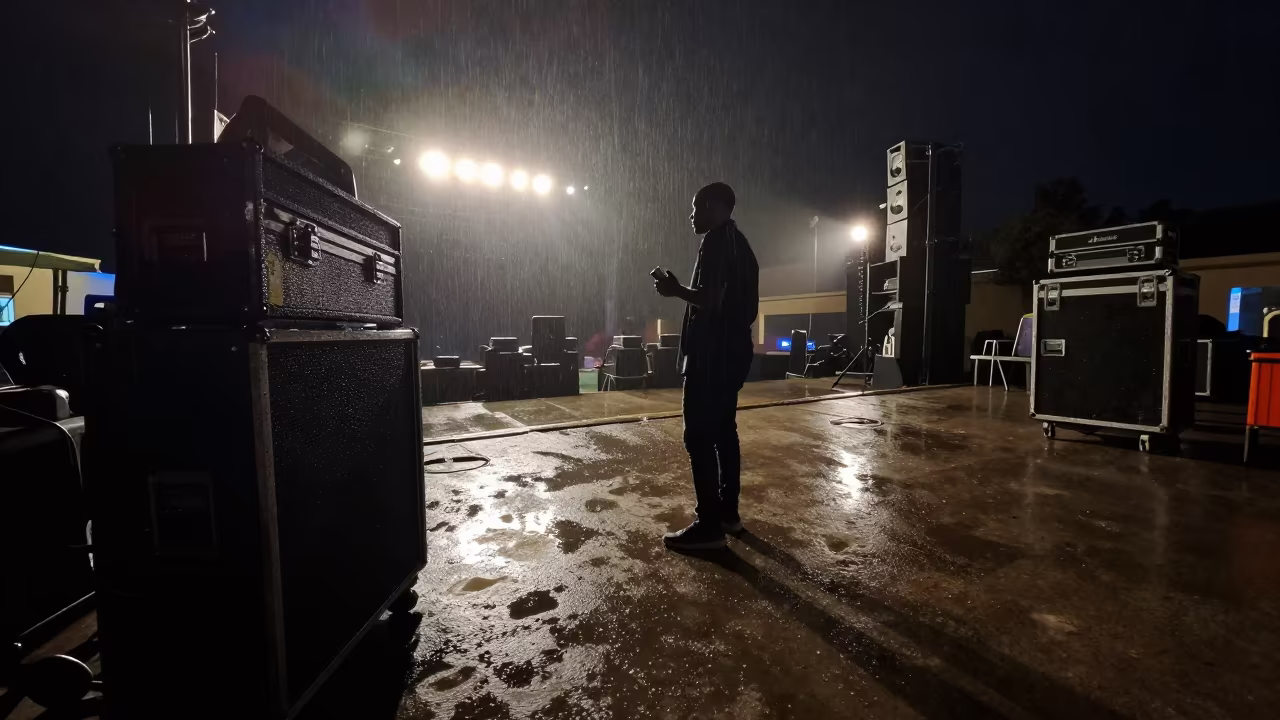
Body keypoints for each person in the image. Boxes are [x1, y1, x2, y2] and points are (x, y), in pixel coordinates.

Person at [653, 182, 759, 550]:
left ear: (715, 207)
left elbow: (711, 300)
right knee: (724, 433)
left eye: (697, 208)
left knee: (698, 437)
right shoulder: (740, 244)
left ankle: (709, 526)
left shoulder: (715, 241)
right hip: (731, 356)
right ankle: (728, 514)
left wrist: (675, 290)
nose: (692, 215)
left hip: (711, 357)